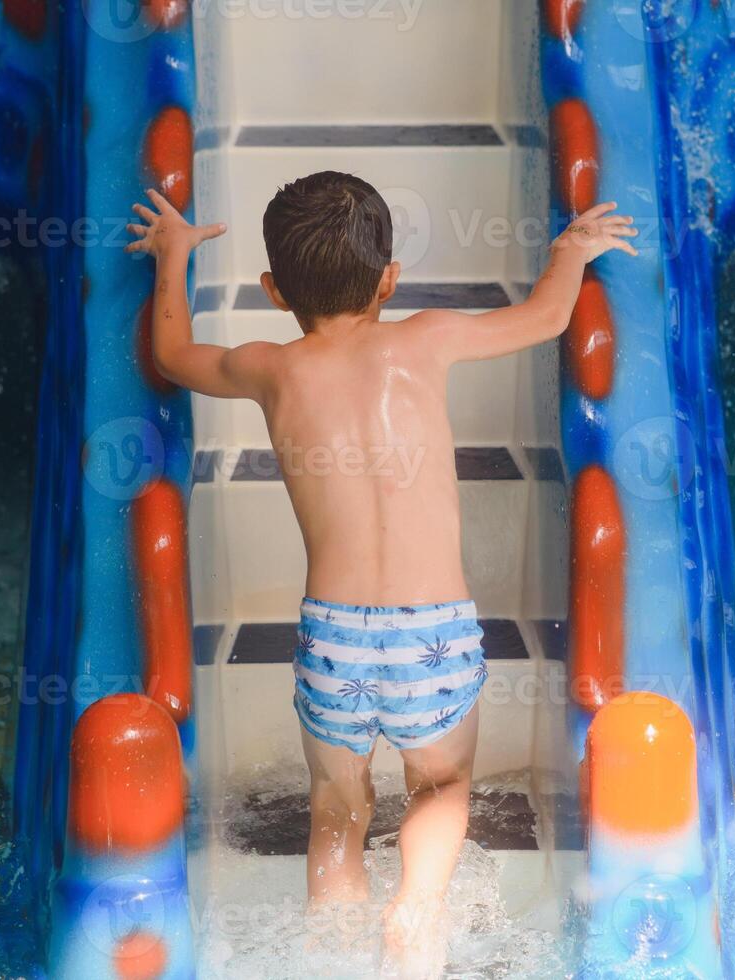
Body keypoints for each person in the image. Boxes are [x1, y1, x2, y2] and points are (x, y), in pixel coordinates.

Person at [126, 171, 636, 976]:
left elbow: (171, 352)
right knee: (441, 787)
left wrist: (172, 257)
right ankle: (417, 908)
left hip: (333, 636)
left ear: (271, 289)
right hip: (433, 632)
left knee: (335, 807)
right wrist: (572, 250)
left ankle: (332, 951)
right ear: (389, 279)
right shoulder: (427, 337)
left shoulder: (272, 367)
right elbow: (547, 316)